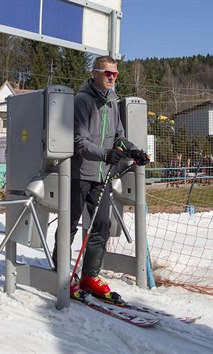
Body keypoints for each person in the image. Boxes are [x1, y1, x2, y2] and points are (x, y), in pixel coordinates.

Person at [53, 55, 150, 299]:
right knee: (70, 223)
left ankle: (89, 275)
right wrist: (106, 155)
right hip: (78, 174)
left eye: (115, 74)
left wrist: (133, 150)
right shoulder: (82, 101)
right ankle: (61, 272)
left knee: (102, 225)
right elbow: (79, 141)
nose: (112, 78)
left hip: (102, 175)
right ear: (95, 73)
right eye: (107, 73)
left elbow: (118, 137)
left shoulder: (112, 104)